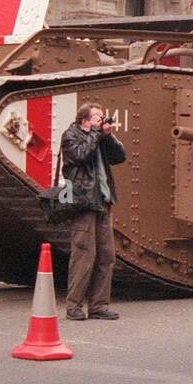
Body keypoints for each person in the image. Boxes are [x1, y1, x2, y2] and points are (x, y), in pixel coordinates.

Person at [60, 102, 126, 320]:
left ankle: (99, 305)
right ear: (84, 121)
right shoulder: (71, 136)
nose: (101, 120)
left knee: (106, 257)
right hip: (84, 203)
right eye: (96, 117)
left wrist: (107, 136)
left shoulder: (98, 137)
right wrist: (96, 134)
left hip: (103, 201)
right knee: (83, 256)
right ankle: (74, 306)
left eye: (101, 117)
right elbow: (80, 156)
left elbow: (119, 156)